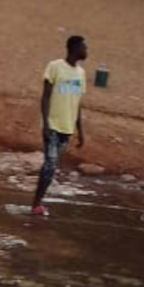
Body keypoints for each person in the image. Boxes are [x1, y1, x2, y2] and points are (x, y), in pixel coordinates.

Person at [31, 35, 88, 217]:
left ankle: (38, 203)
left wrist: (80, 131)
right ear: (74, 48)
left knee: (52, 166)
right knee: (50, 164)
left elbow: (77, 103)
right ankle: (36, 204)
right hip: (53, 125)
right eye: (84, 47)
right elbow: (45, 97)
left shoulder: (81, 73)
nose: (86, 51)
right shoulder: (55, 67)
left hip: (67, 128)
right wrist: (46, 124)